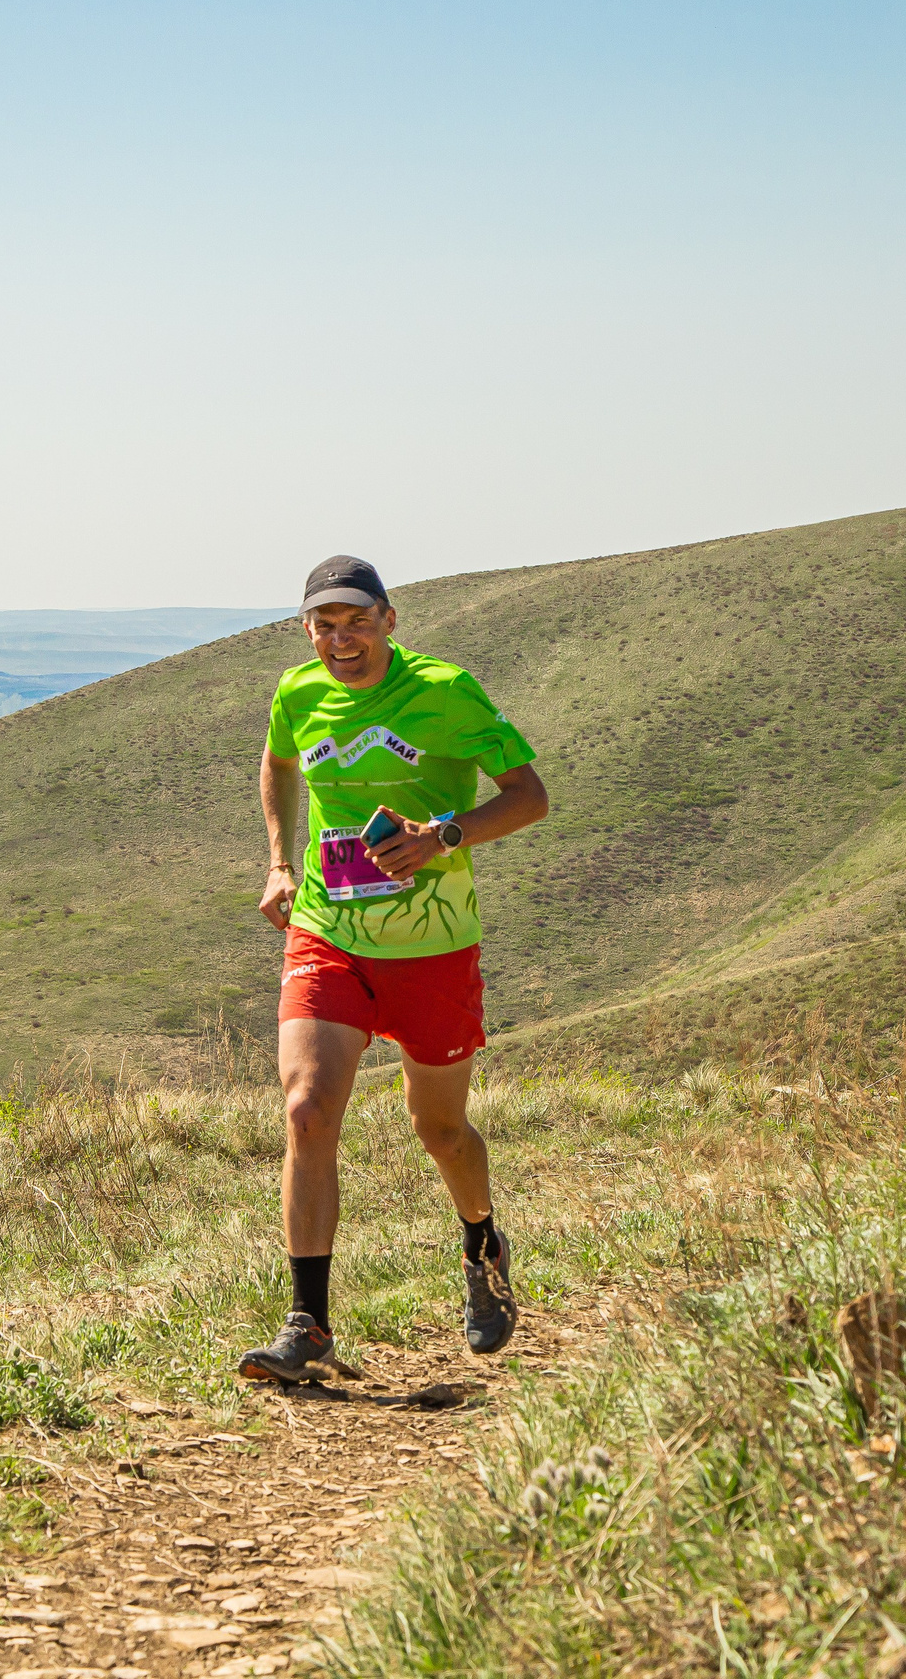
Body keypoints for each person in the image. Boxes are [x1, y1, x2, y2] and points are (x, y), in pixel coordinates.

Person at [238, 555, 550, 1383]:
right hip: (329, 933)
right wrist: (279, 862)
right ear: (309, 631)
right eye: (324, 626)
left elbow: (530, 796)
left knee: (439, 1132)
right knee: (306, 1110)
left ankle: (481, 1243)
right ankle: (308, 1325)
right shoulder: (297, 692)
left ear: (390, 620)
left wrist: (441, 834)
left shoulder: (448, 690)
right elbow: (277, 765)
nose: (341, 640)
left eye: (357, 621)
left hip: (434, 947)